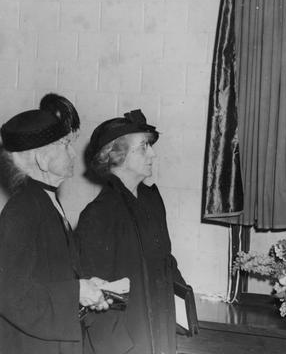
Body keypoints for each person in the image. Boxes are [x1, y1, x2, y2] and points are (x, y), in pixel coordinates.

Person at [0, 93, 109, 354]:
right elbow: (8, 292)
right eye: (64, 145)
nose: (73, 152)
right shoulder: (23, 209)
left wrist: (85, 286)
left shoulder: (45, 200)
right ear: (42, 159)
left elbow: (46, 276)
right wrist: (76, 292)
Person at [75, 109, 188, 354]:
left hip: (160, 334)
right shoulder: (98, 215)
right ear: (116, 155)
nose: (153, 153)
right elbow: (99, 302)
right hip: (126, 344)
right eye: (144, 147)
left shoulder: (152, 201)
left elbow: (166, 262)